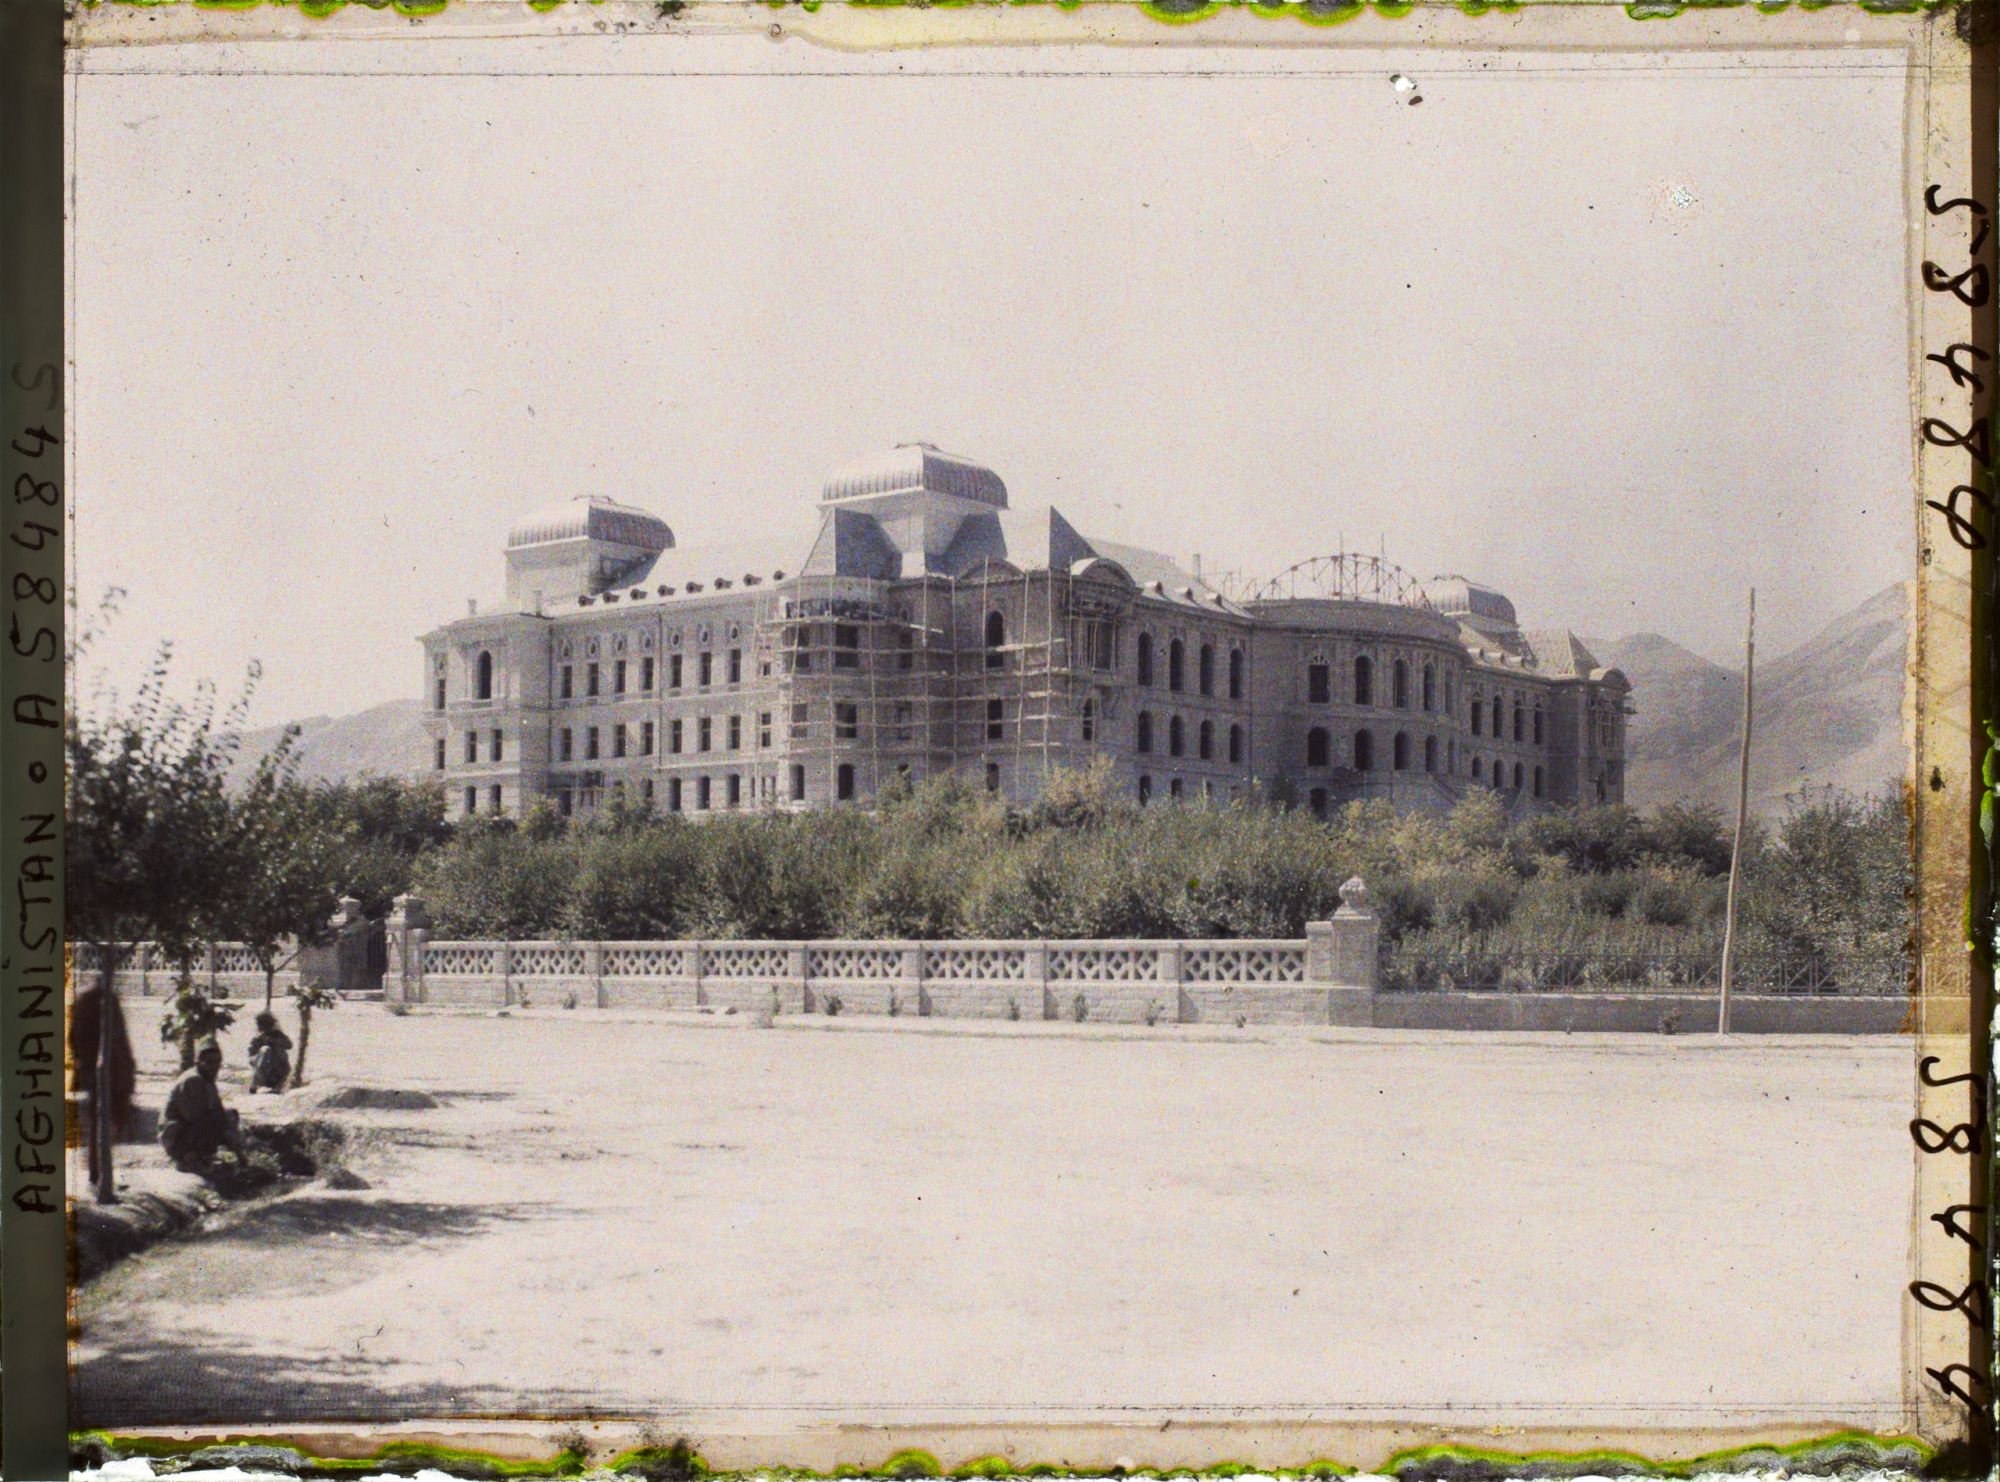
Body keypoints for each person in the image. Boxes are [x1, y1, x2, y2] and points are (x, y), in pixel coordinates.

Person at [71, 977, 137, 1191]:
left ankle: (99, 1174)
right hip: (104, 1071)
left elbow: (74, 1038)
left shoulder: (96, 1000)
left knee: (105, 1121)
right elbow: (77, 1038)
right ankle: (98, 1175)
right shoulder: (98, 1001)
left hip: (105, 1070)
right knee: (104, 1121)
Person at [159, 1039, 244, 1173]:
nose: (214, 1066)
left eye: (217, 1062)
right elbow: (195, 1117)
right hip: (176, 1139)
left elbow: (219, 1111)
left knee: (229, 1115)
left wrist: (237, 1151)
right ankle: (188, 1160)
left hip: (188, 1132)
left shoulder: (206, 1079)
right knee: (213, 1121)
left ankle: (209, 1158)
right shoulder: (193, 1080)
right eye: (209, 1062)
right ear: (198, 1061)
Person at [247, 1011, 293, 1093]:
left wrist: (273, 1042)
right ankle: (256, 1085)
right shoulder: (259, 1039)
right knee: (265, 1050)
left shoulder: (278, 1035)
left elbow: (289, 1045)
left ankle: (277, 1086)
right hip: (263, 1072)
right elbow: (251, 1057)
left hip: (279, 1069)